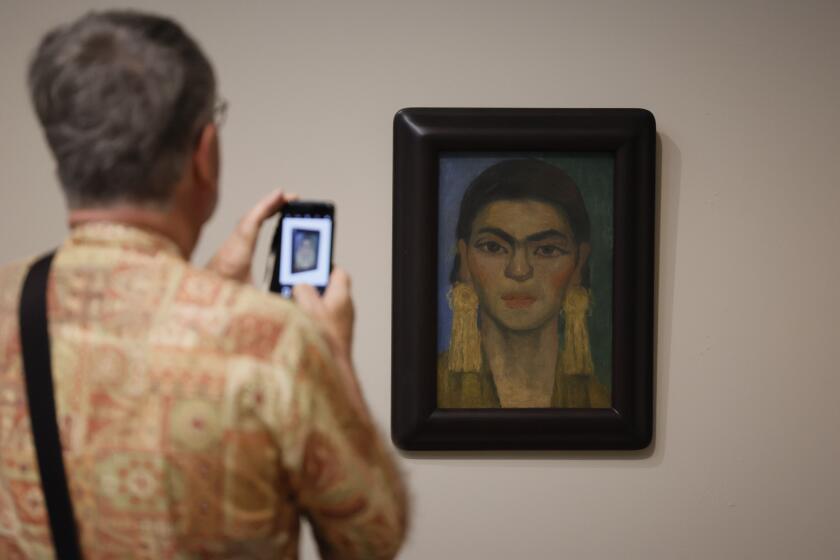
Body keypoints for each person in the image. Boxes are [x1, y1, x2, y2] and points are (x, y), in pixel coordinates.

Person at [0, 10, 407, 559]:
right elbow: (371, 539)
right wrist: (332, 354)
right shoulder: (271, 342)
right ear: (205, 152)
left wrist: (210, 283)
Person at [438, 159, 611, 408]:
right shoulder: (433, 392)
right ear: (464, 260)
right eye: (494, 247)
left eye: (547, 249)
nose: (519, 270)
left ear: (579, 264)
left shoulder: (600, 402)